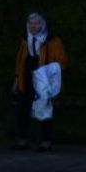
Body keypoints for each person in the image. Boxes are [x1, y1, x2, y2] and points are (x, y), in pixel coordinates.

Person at [11, 12, 68, 151]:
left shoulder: (53, 40)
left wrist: (48, 73)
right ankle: (23, 140)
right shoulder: (25, 40)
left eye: (37, 23)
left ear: (42, 25)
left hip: (43, 79)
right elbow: (20, 60)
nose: (33, 26)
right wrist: (17, 79)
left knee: (44, 108)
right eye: (31, 23)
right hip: (26, 77)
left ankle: (46, 141)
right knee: (22, 109)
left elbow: (62, 61)